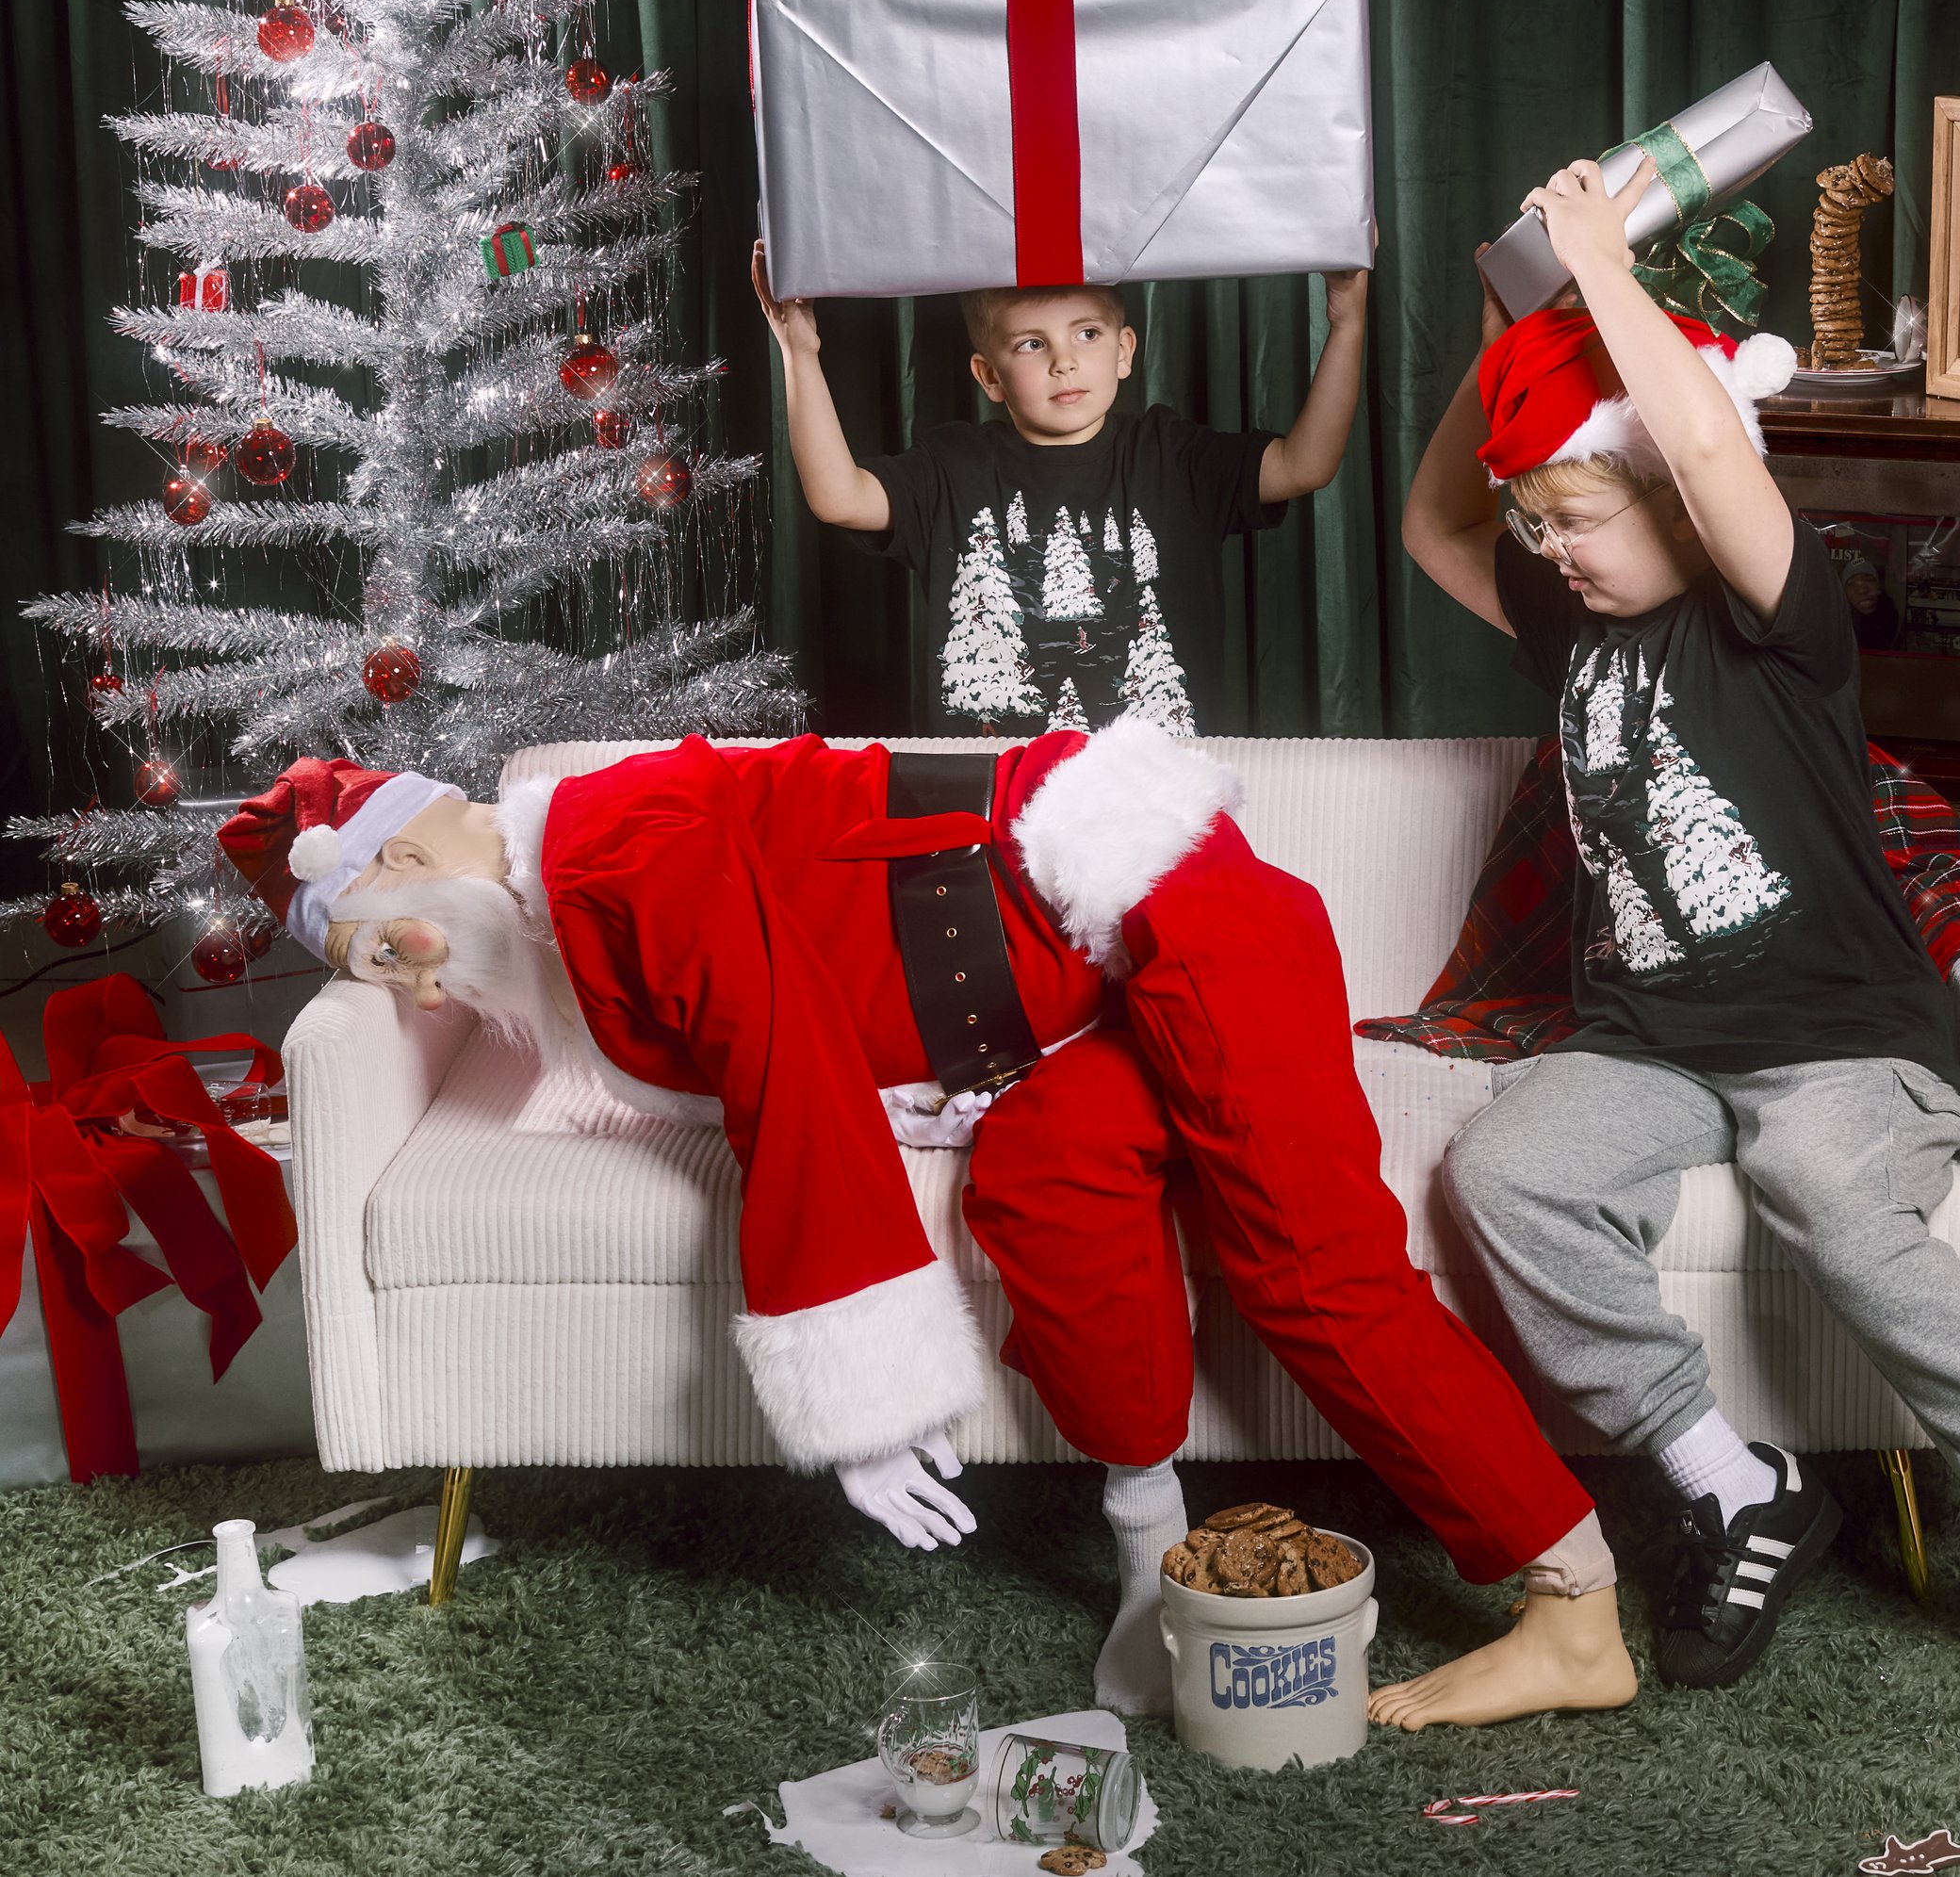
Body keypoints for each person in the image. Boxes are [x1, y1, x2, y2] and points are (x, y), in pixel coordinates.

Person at [218, 719, 1636, 1722]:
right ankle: (1156, 1567)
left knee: (1307, 1264)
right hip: (1062, 1021)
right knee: (1045, 1190)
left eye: (381, 950)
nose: (412, 989)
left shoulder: (607, 843)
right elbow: (831, 985)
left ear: (402, 864)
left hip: (1158, 904)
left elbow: (784, 1050)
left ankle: (1573, 1602)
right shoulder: (559, 908)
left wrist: (861, 1391)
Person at [1395, 153, 1960, 1715]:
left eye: (1579, 515)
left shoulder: (1772, 619)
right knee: (1503, 1174)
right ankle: (1736, 1478)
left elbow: (1710, 446)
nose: (1555, 549)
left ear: (1661, 490)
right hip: (1650, 1043)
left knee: (1813, 1184)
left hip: (1842, 1039)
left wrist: (1606, 272)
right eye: (1547, 522)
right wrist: (1517, 321)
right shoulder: (1575, 626)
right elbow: (1440, 523)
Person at [751, 246, 1369, 733]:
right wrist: (799, 351)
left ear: (1125, 351)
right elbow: (839, 498)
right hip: (999, 796)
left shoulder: (1173, 454)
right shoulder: (954, 466)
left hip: (1157, 789)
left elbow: (1303, 464)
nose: (1063, 362)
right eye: (1031, 344)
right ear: (989, 376)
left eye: (1087, 335)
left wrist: (1347, 325)